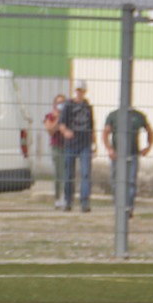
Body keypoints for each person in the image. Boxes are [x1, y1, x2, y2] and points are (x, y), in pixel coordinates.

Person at [102, 99, 153, 216]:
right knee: (115, 180)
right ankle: (118, 206)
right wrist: (109, 149)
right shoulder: (113, 115)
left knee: (131, 181)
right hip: (117, 154)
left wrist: (148, 147)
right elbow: (105, 133)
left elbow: (149, 131)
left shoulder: (138, 116)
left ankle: (128, 207)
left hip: (133, 153)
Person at [58, 82, 95, 213]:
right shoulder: (68, 105)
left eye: (82, 90)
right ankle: (68, 201)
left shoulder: (88, 107)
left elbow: (92, 126)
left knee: (85, 173)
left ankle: (85, 202)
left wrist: (93, 143)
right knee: (69, 174)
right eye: (78, 90)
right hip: (71, 144)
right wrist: (66, 132)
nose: (80, 93)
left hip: (85, 143)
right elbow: (61, 124)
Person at [45, 93, 69, 209]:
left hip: (68, 147)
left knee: (67, 173)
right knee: (58, 173)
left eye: (63, 102)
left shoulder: (69, 116)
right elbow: (50, 130)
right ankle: (57, 198)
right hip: (56, 147)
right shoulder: (51, 116)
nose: (61, 105)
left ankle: (66, 197)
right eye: (59, 103)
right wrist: (58, 119)